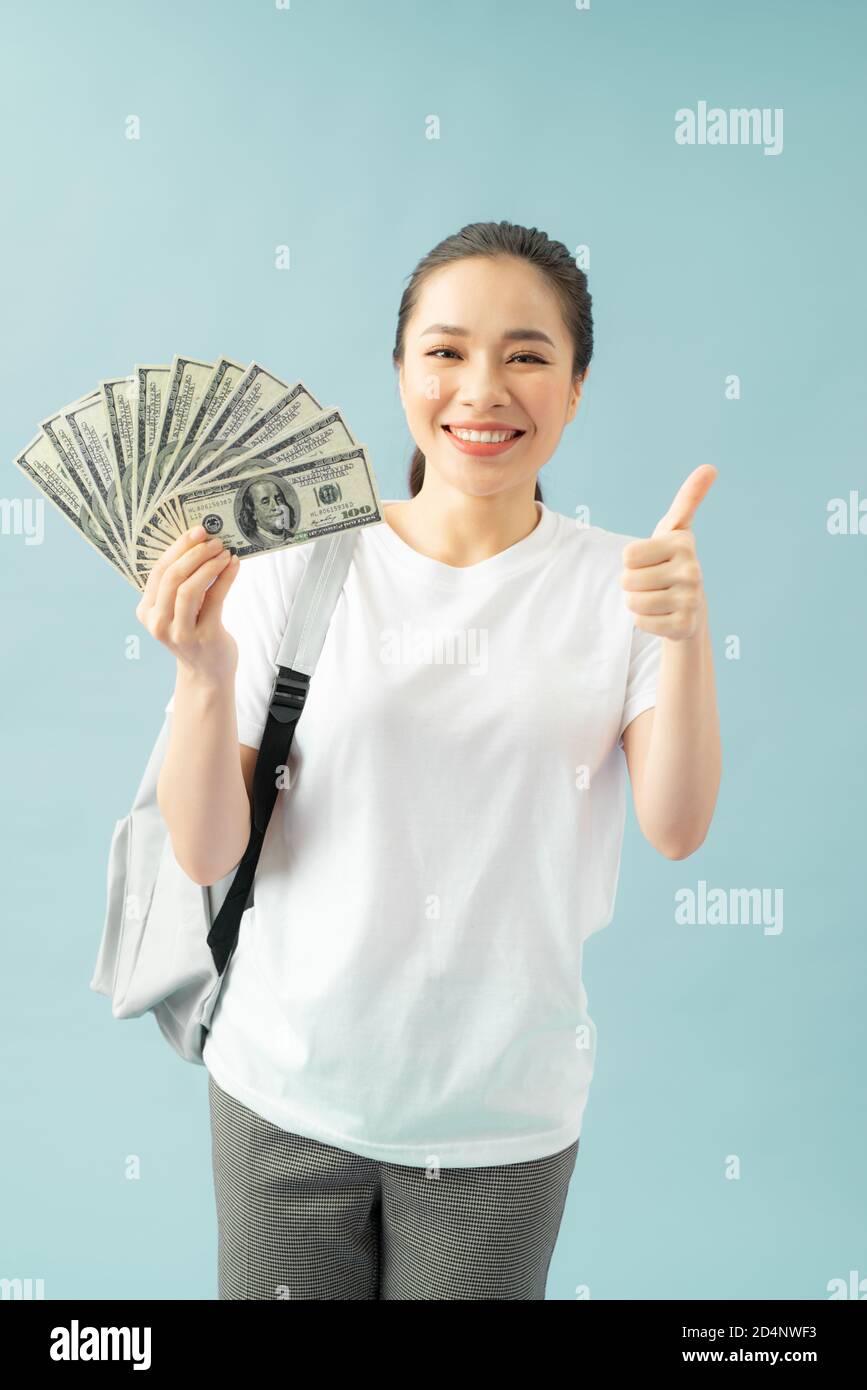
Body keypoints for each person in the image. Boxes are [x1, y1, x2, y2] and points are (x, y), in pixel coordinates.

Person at [137, 220, 721, 1301]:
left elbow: (679, 829)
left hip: (502, 1120)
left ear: (577, 387)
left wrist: (687, 637)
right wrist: (203, 673)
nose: (482, 388)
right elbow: (208, 844)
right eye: (446, 351)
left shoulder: (627, 585)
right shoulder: (299, 564)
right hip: (283, 1094)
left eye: (528, 354)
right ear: (402, 371)